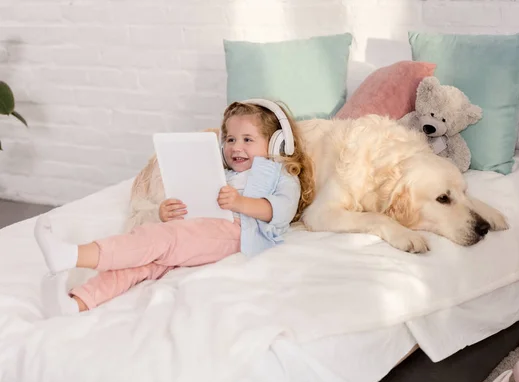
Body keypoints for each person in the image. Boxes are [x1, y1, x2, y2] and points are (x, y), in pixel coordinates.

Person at [34, 99, 315, 317]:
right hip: (202, 228)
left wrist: (241, 203)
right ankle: (77, 303)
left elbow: (278, 211)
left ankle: (73, 254)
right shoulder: (224, 174)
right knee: (142, 264)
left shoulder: (281, 176)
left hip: (236, 233)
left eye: (247, 139)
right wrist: (166, 212)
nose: (235, 147)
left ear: (277, 142)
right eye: (230, 139)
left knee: (160, 239)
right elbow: (199, 202)